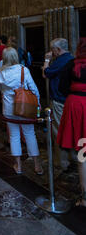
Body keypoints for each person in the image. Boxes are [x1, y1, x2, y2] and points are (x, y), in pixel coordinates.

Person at [0, 47, 43, 176]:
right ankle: (37, 165)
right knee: (30, 134)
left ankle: (19, 165)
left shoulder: (0, 72)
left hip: (8, 108)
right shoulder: (23, 70)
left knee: (14, 136)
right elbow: (33, 88)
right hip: (25, 106)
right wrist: (38, 103)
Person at [57, 38, 86, 209]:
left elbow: (62, 88)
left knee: (83, 153)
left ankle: (84, 197)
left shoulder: (71, 64)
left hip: (76, 105)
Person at [43, 38, 74, 170]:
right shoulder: (72, 58)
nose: (52, 52)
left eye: (53, 49)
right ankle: (73, 157)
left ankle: (62, 161)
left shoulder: (60, 61)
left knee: (58, 131)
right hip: (71, 100)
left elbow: (46, 73)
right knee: (71, 129)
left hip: (59, 101)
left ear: (58, 49)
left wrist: (46, 60)